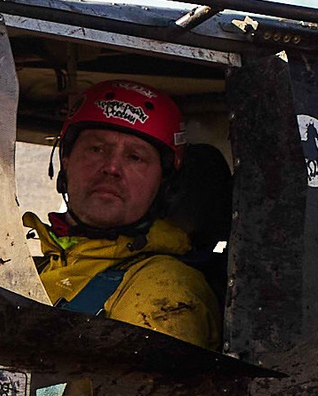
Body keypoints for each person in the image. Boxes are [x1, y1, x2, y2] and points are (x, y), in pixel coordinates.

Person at [27, 80, 222, 351]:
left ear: (164, 185)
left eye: (135, 157)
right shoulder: (30, 264)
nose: (111, 167)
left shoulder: (163, 289)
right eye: (96, 149)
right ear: (66, 161)